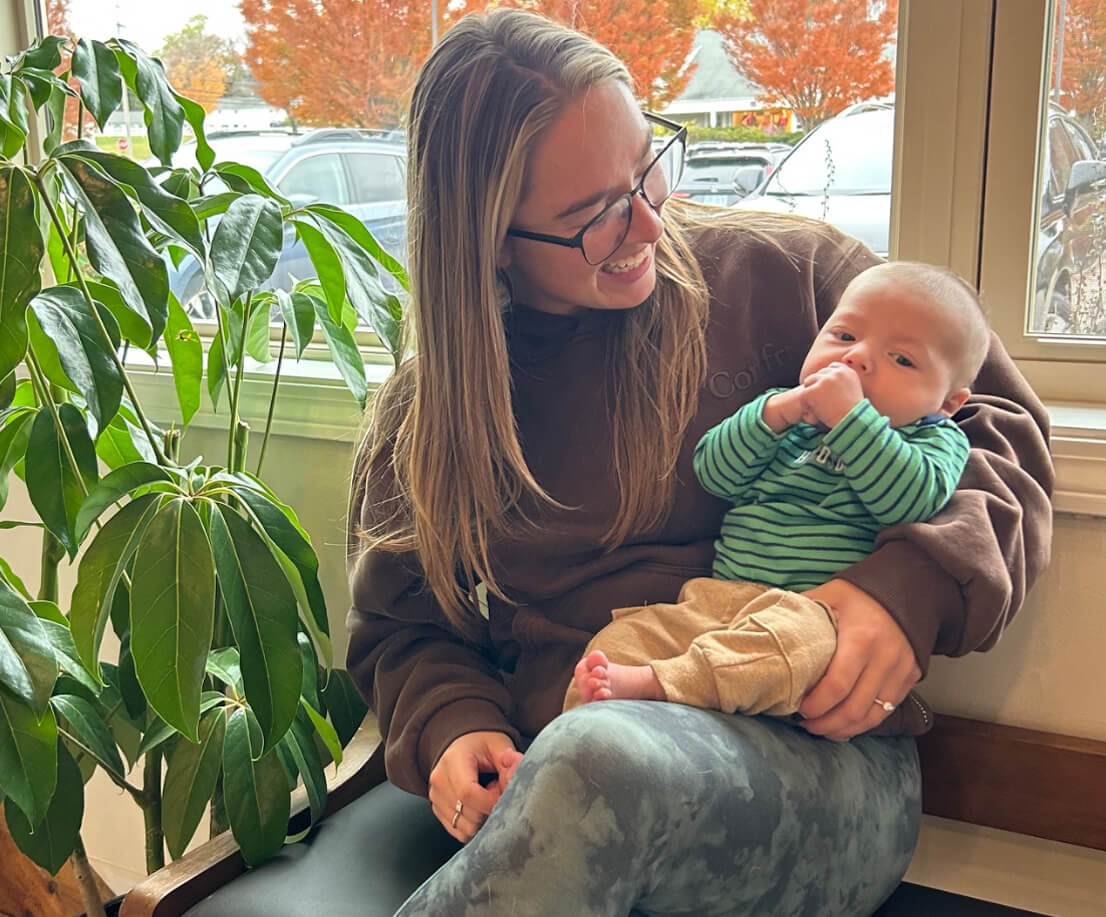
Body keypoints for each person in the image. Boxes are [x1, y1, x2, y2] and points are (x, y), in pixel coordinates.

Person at [346, 9, 1053, 916]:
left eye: (648, 167)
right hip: (557, 773)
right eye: (595, 214)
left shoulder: (792, 278)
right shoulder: (432, 408)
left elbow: (1003, 428)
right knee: (585, 757)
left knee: (599, 756)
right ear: (488, 240)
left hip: (813, 758)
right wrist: (455, 724)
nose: (649, 221)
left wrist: (906, 589)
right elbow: (399, 626)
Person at [566, 261, 989, 727]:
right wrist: (774, 414)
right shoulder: (785, 413)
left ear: (948, 403)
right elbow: (715, 473)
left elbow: (908, 501)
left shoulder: (933, 438)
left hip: (813, 616)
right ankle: (565, 740)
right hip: (715, 601)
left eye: (902, 360)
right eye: (844, 336)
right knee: (616, 643)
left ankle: (661, 685)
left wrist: (851, 421)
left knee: (793, 647)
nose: (856, 358)